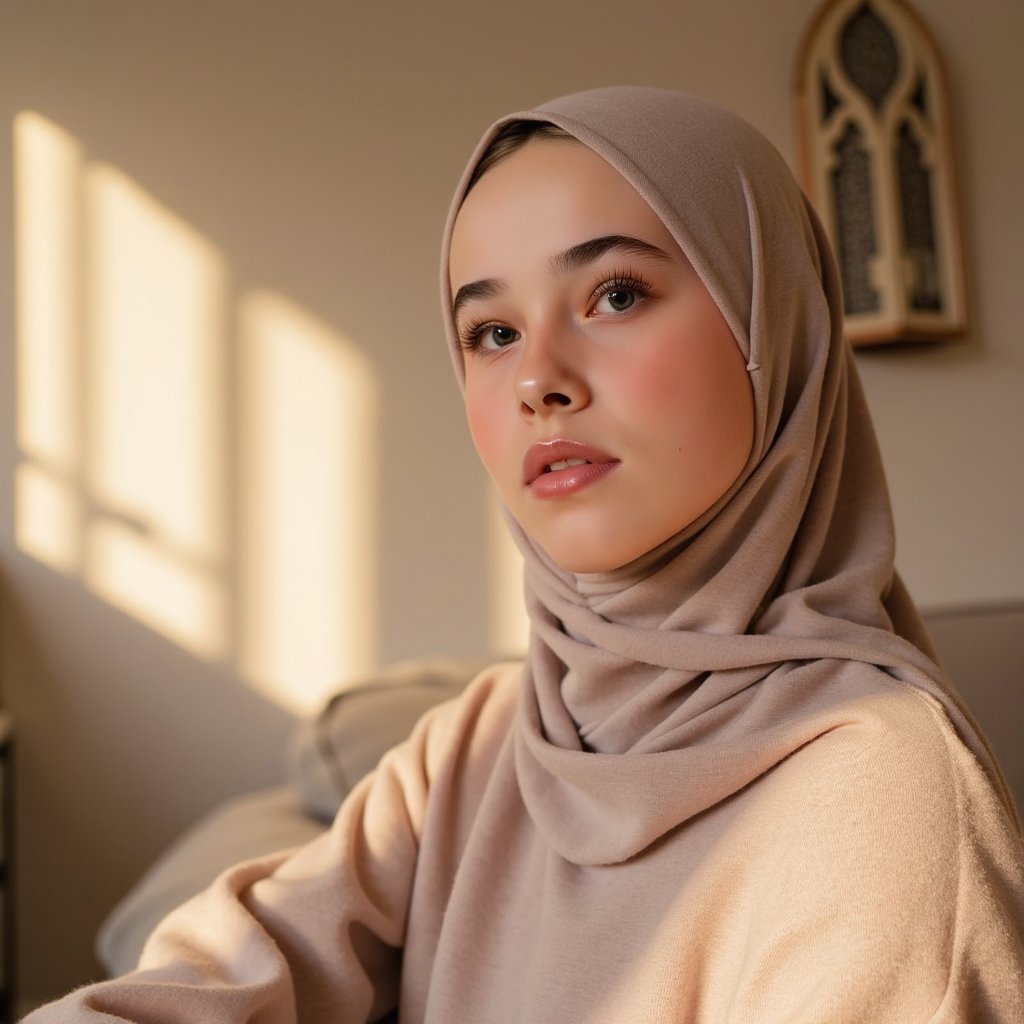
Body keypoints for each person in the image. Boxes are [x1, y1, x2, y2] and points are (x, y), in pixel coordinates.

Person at [24, 86, 1024, 1023]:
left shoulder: (881, 802)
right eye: (492, 330)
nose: (537, 378)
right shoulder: (480, 742)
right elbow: (223, 972)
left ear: (776, 326)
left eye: (617, 294)